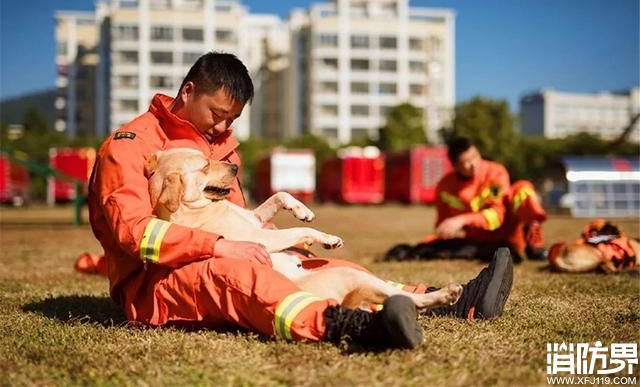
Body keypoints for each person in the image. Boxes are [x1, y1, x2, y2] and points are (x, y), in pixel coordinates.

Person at [88, 52, 514, 351]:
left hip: (223, 253)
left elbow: (237, 220)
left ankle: (455, 300)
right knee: (243, 280)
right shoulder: (130, 145)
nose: (223, 127)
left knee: (328, 267)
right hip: (153, 285)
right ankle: (354, 327)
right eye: (216, 113)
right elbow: (134, 232)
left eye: (232, 120)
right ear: (187, 90)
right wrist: (219, 247)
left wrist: (276, 242)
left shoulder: (220, 149)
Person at [387, 136, 547, 263]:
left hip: (509, 234)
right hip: (477, 239)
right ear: (455, 166)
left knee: (522, 187)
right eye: (467, 162)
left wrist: (461, 220)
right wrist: (441, 235)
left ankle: (535, 243)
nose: (474, 164)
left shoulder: (495, 172)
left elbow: (497, 216)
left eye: (475, 156)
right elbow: (443, 223)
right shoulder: (445, 186)